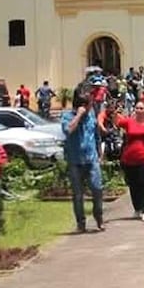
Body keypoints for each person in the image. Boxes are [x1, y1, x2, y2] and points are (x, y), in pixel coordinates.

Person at [61, 86, 105, 233]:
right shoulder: (68, 116)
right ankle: (81, 223)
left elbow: (96, 134)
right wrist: (78, 116)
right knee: (78, 194)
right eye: (88, 104)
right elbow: (68, 130)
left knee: (97, 189)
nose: (90, 107)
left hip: (91, 160)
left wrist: (100, 152)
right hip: (75, 161)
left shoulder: (92, 115)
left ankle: (98, 217)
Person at [115, 100, 144, 221]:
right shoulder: (129, 122)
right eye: (137, 108)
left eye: (141, 108)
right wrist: (114, 112)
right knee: (133, 185)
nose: (138, 111)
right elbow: (117, 122)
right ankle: (137, 209)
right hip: (129, 159)